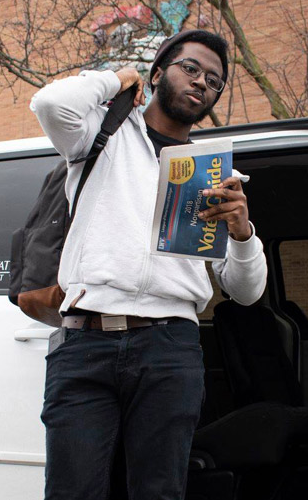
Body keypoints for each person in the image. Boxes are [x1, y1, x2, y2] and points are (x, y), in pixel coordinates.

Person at [30, 29, 268, 500]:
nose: (202, 82)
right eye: (191, 68)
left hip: (170, 347)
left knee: (158, 493)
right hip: (85, 342)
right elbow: (50, 104)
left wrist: (243, 233)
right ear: (158, 74)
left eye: (214, 81)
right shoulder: (102, 135)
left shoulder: (211, 173)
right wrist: (118, 76)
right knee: (72, 492)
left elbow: (246, 291)